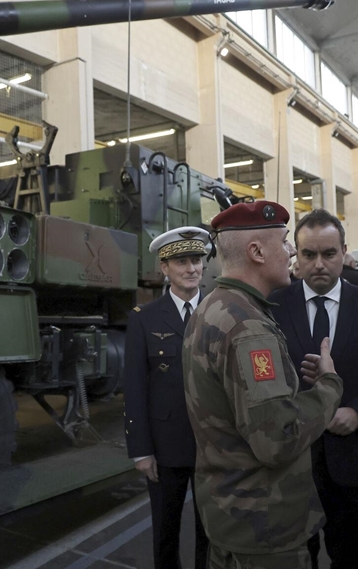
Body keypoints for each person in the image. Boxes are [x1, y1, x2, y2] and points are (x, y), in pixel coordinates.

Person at [183, 200, 343, 569]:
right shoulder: (248, 327)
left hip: (230, 517)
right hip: (264, 529)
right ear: (256, 251)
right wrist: (330, 386)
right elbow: (278, 439)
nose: (291, 252)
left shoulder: (213, 306)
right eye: (286, 242)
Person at [269, 209, 358, 569]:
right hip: (288, 464)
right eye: (307, 254)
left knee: (349, 556)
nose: (318, 264)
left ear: (344, 252)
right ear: (295, 255)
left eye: (328, 254)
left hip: (350, 463)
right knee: (294, 558)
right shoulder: (272, 306)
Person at [124, 226, 211, 569]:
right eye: (181, 262)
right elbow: (134, 388)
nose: (191, 268)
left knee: (213, 532)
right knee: (165, 532)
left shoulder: (222, 310)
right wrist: (141, 450)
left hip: (214, 444)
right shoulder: (144, 319)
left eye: (196, 260)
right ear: (164, 268)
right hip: (165, 447)